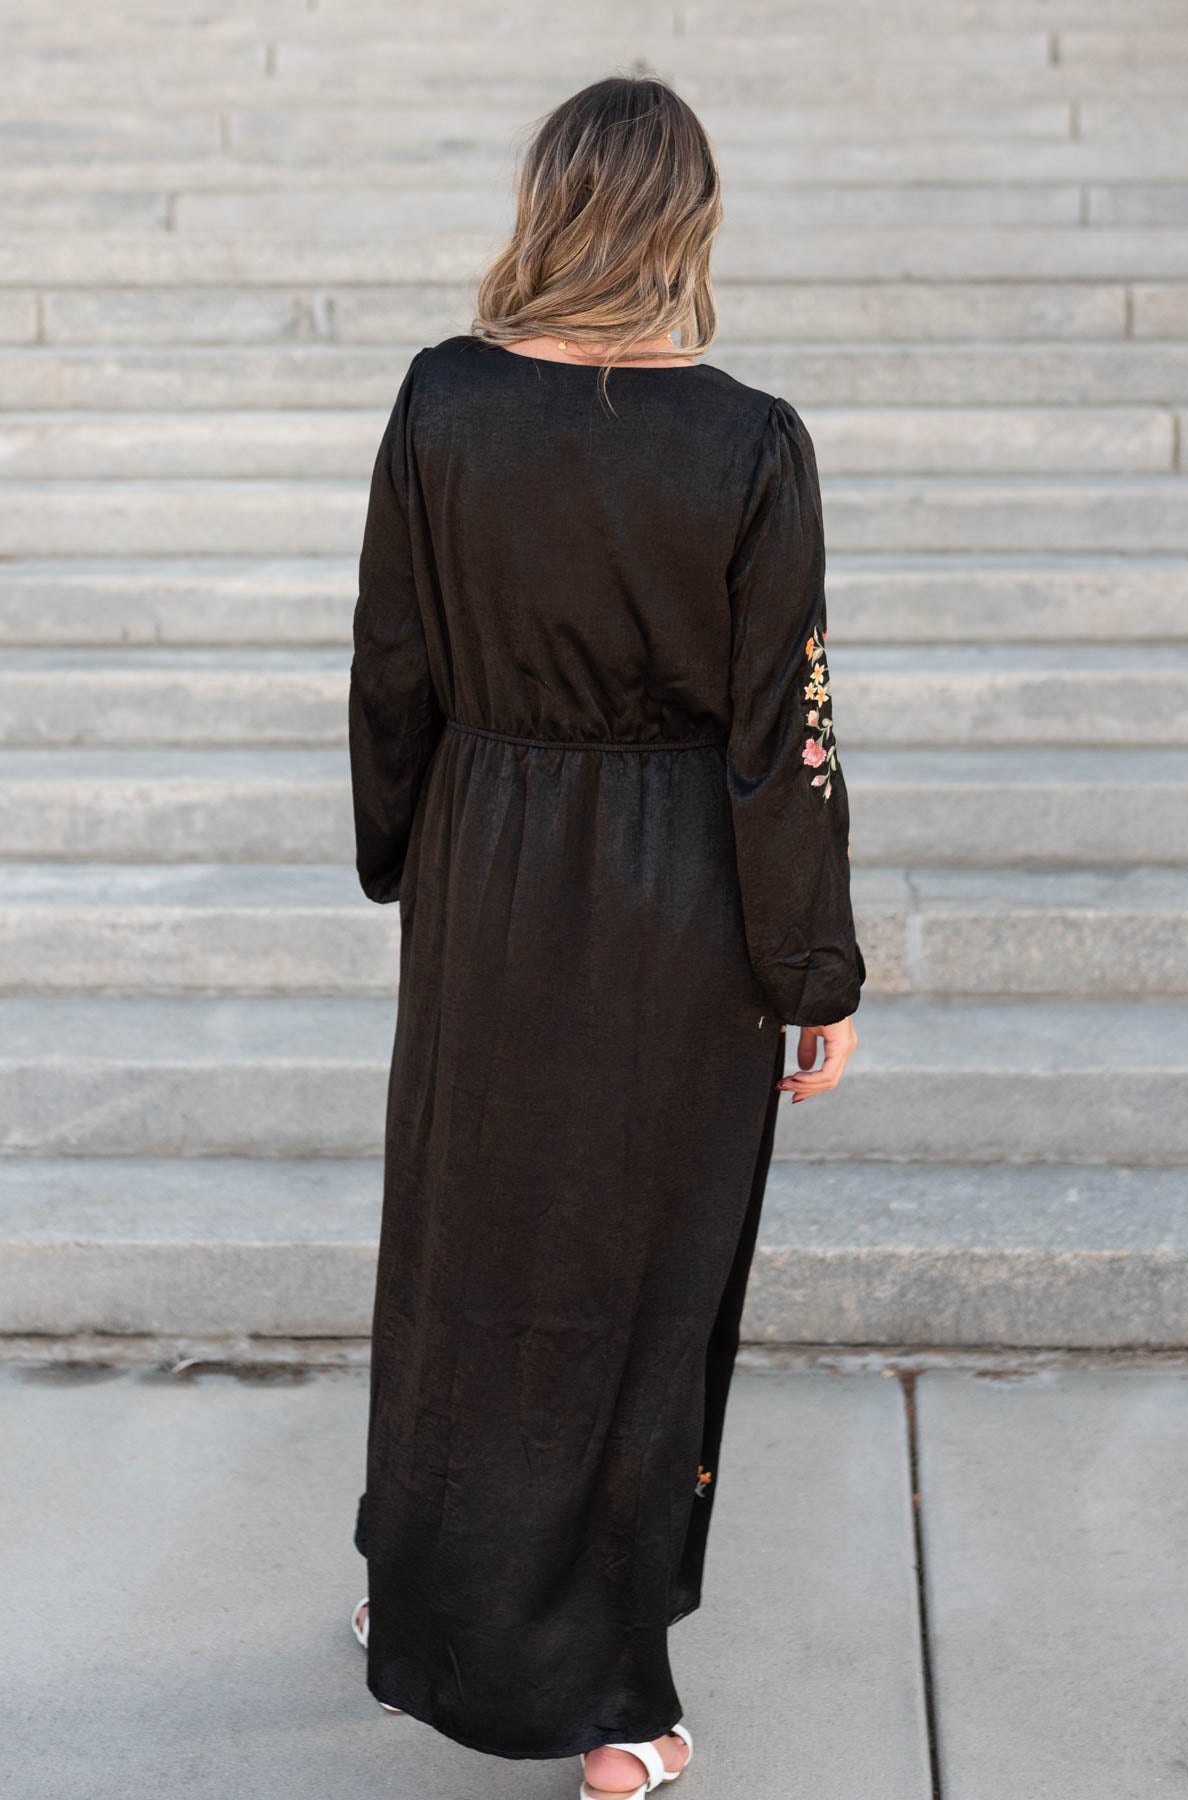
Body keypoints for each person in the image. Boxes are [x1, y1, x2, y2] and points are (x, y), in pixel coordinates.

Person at [346, 73, 865, 1800]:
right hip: (677, 904)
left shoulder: (440, 405)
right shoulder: (746, 442)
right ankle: (610, 1699)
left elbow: (393, 670)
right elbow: (783, 738)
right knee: (636, 1290)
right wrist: (808, 969)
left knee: (465, 1252)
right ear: (685, 224)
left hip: (490, 872)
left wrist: (407, 857)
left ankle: (423, 1604)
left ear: (549, 202)